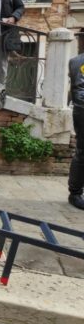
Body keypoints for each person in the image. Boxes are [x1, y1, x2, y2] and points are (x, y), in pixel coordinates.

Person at [68, 51, 84, 210]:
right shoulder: (79, 61)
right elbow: (80, 91)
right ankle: (75, 193)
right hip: (83, 112)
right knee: (82, 151)